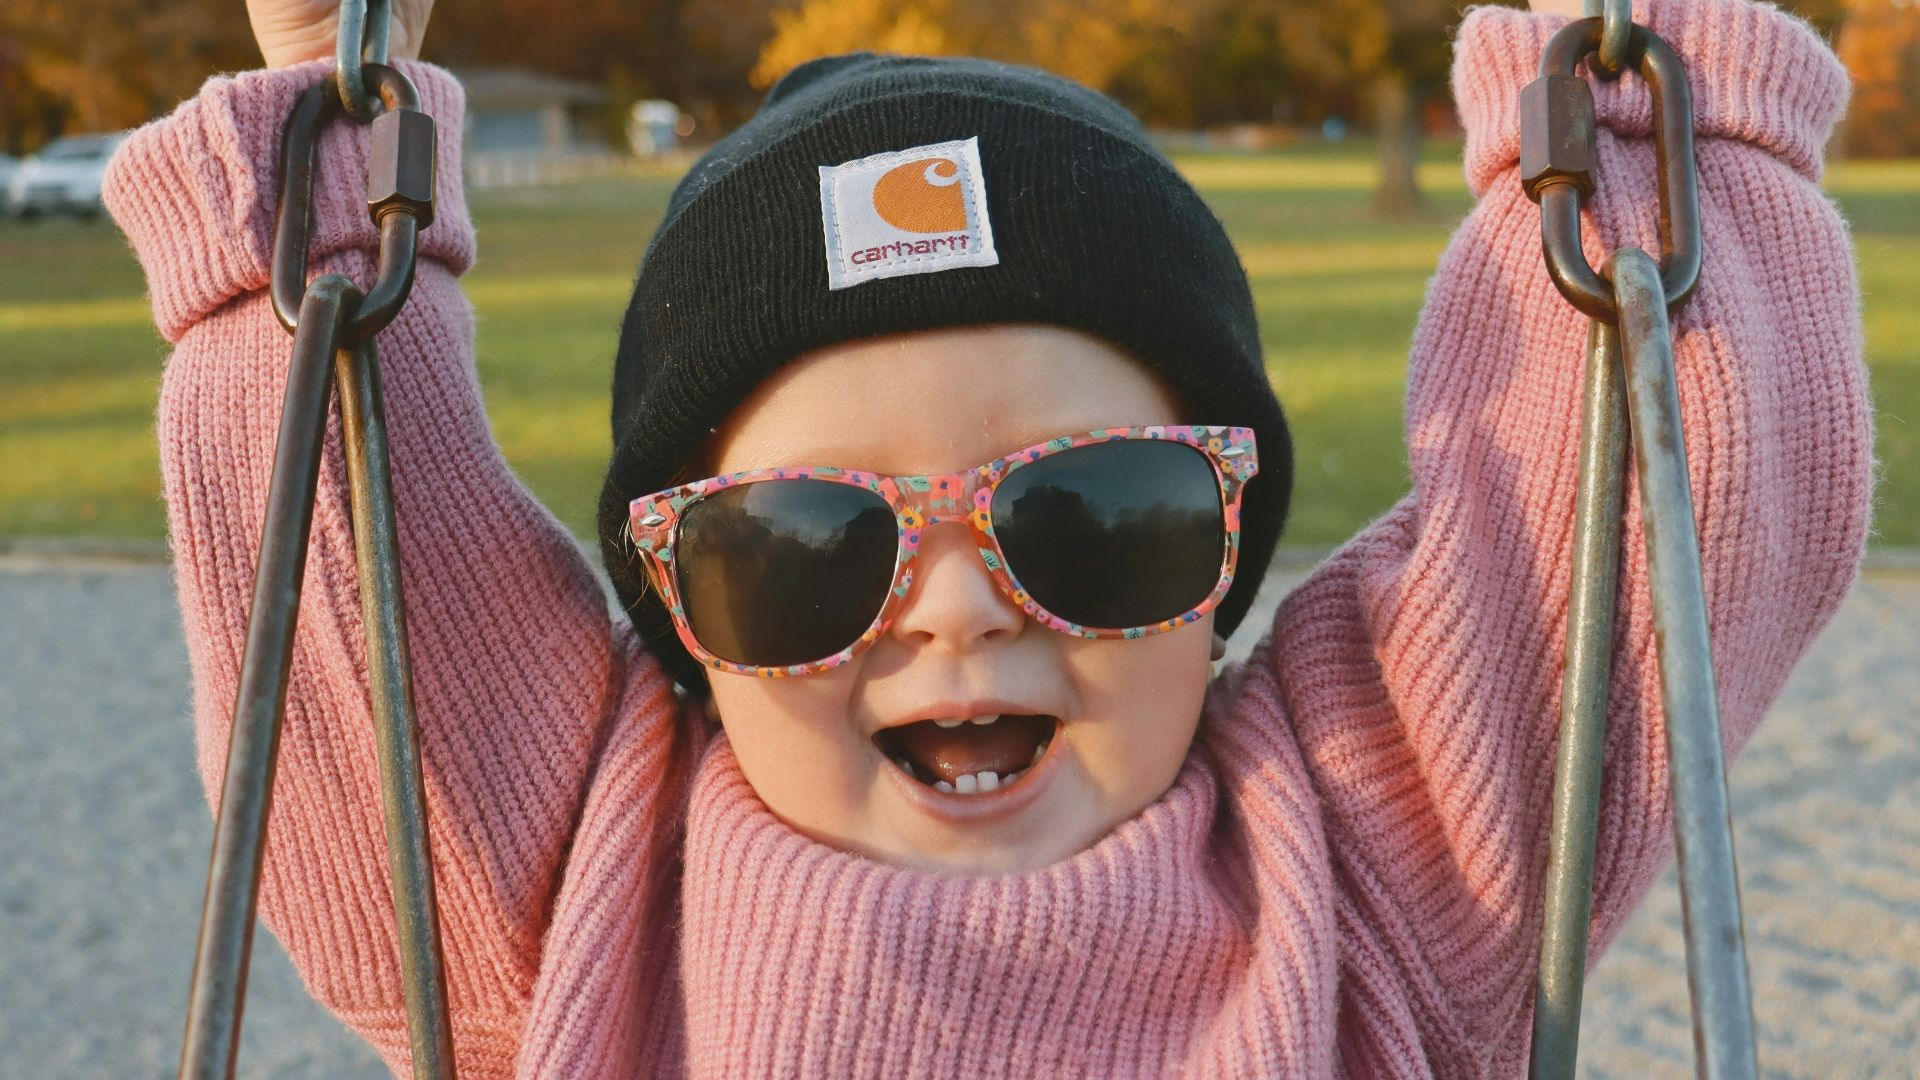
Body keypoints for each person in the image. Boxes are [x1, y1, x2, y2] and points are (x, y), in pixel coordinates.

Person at [105, 0, 1870, 1073]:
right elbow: (344, 599)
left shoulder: (1377, 868)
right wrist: (316, 197)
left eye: (1096, 519)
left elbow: (1654, 498)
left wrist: (1649, 127)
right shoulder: (579, 903)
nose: (956, 610)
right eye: (799, 549)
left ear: (1223, 558)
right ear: (681, 606)